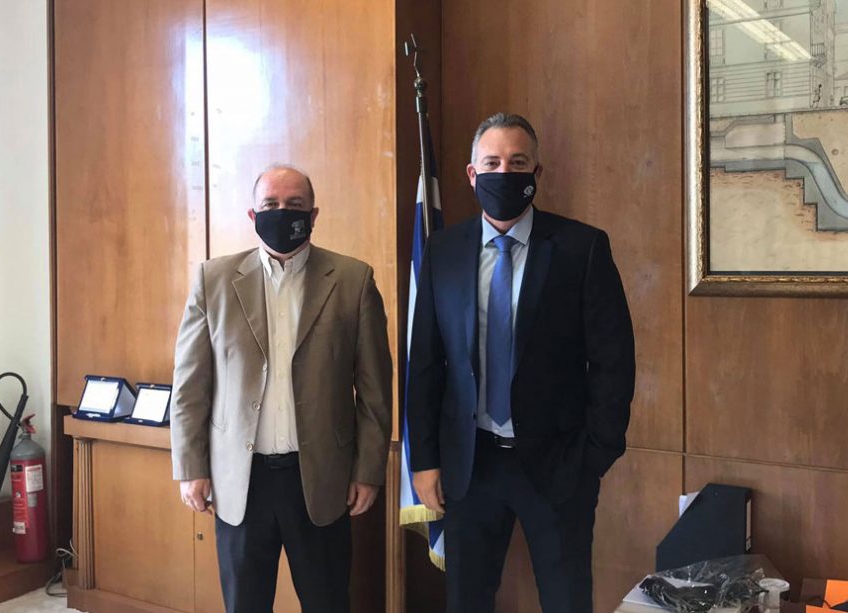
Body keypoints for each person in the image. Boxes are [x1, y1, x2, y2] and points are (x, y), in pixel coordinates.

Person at [407, 113, 635, 612]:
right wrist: (423, 459)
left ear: (537, 173)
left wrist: (596, 453)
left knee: (566, 599)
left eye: (517, 162)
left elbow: (614, 360)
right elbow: (425, 362)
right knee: (467, 601)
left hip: (558, 464)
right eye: (492, 163)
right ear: (472, 174)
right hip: (470, 464)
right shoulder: (443, 251)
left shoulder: (582, 248)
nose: (504, 173)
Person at [170, 164, 392, 613]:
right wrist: (190, 465)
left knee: (328, 602)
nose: (282, 212)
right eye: (270, 204)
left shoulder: (353, 281)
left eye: (294, 204)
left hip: (321, 479)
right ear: (253, 215)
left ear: (313, 215)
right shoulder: (213, 281)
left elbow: (375, 391)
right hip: (240, 482)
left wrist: (368, 469)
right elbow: (190, 385)